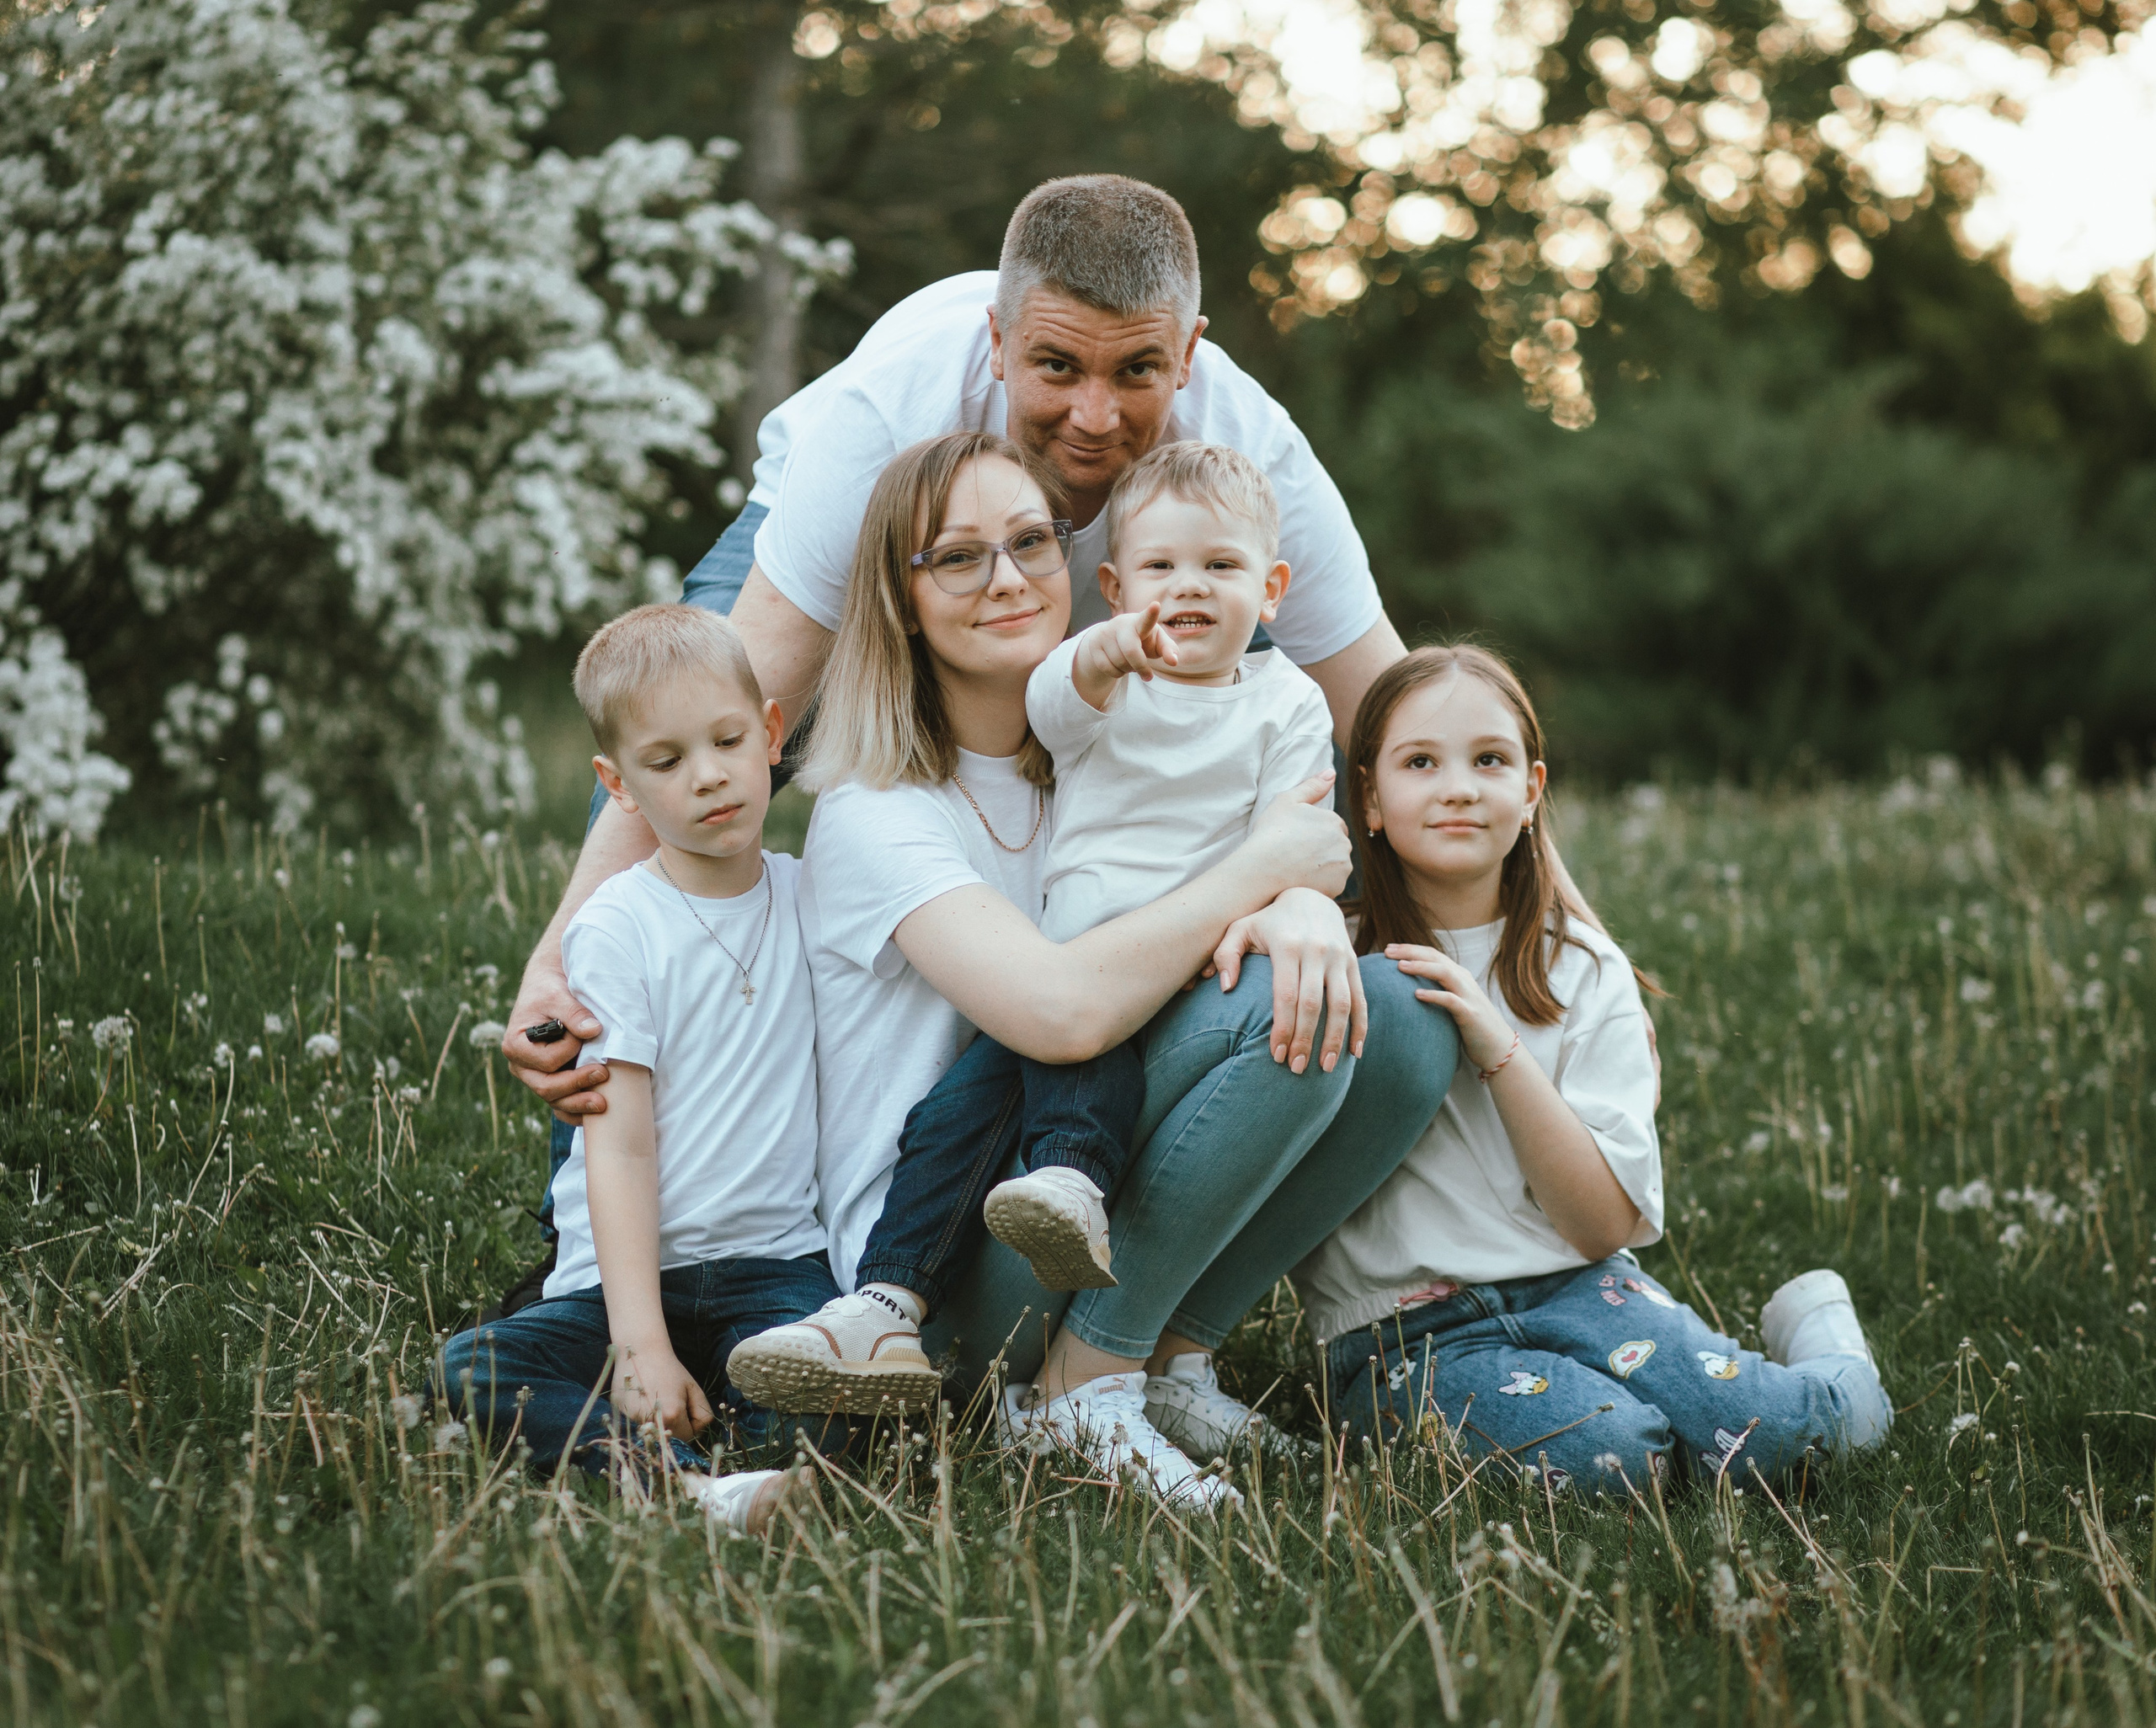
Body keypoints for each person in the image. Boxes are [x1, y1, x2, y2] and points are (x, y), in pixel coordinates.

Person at [722, 430, 1456, 1509]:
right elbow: (1064, 1016)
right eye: (959, 556)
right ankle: (1081, 1391)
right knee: (1270, 1009)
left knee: (1393, 1016)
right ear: (901, 596)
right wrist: (1267, 871)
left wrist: (1302, 902)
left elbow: (1263, 830)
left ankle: (1169, 1360)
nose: (1011, 577)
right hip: (948, 1269)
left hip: (1084, 1207)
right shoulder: (875, 812)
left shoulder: (1109, 754)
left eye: (1028, 541)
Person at [1290, 645, 1892, 1492]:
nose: (1458, 786)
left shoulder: (1579, 968)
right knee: (1609, 1457)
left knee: (1783, 1438)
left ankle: (1826, 1348)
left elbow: (1598, 1227)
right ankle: (1646, 1427)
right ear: (1371, 800)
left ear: (1531, 791)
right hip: (1403, 1333)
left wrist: (1495, 1048)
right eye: (1420, 762)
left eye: (1488, 761)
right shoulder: (1330, 952)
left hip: (1581, 1287)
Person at [439, 606, 852, 1536]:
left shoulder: (811, 893)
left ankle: (744, 1428)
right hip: (623, 1282)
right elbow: (617, 1147)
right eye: (665, 763)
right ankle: (678, 1482)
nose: (707, 775)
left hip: (771, 1265)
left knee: (840, 1388)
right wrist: (639, 1347)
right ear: (617, 785)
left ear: (773, 735)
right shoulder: (618, 927)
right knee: (473, 1369)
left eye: (728, 741)